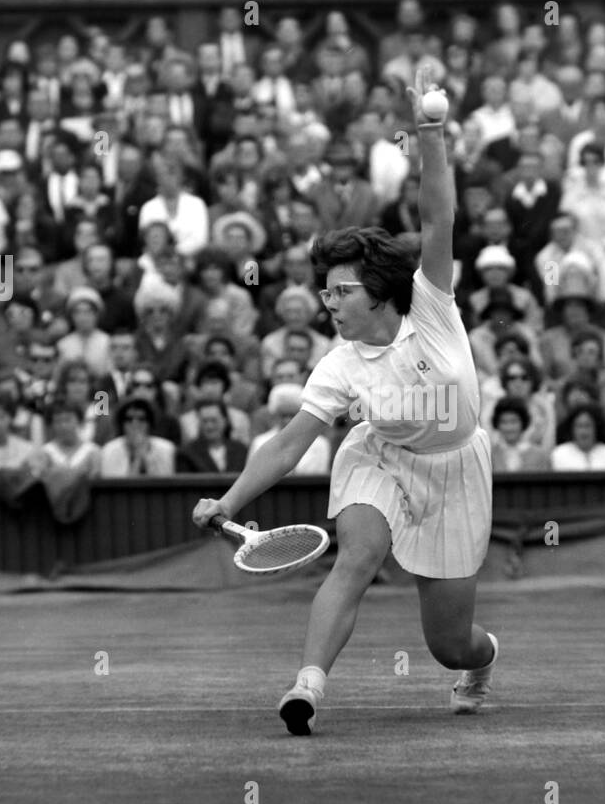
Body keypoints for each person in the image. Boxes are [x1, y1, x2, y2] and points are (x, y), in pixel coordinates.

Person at [192, 67, 499, 736]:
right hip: (382, 460)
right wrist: (229, 503)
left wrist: (429, 131)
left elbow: (438, 215)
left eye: (342, 292)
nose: (330, 304)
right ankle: (308, 686)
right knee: (356, 552)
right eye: (325, 293)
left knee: (451, 646)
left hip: (455, 473)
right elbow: (289, 444)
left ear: (379, 291)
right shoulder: (337, 365)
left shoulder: (433, 304)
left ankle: (480, 662)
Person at [550, 404, 605, 471]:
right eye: (579, 426)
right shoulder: (559, 454)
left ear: (596, 427)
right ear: (572, 429)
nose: (583, 431)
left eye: (587, 425)